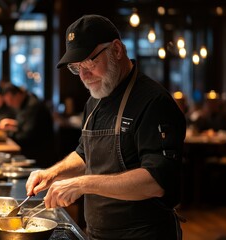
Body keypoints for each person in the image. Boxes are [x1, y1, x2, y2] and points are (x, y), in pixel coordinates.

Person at [25, 15, 186, 240]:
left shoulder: (154, 102)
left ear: (117, 50)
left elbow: (156, 181)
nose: (83, 75)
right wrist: (52, 174)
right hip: (98, 234)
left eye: (89, 62)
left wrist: (82, 184)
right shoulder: (95, 101)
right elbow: (85, 154)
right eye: (76, 67)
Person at [0, 83, 55, 168]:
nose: (10, 104)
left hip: (39, 155)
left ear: (18, 95)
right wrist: (12, 123)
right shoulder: (25, 103)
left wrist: (7, 135)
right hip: (33, 151)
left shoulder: (33, 106)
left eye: (11, 100)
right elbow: (24, 124)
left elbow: (26, 135)